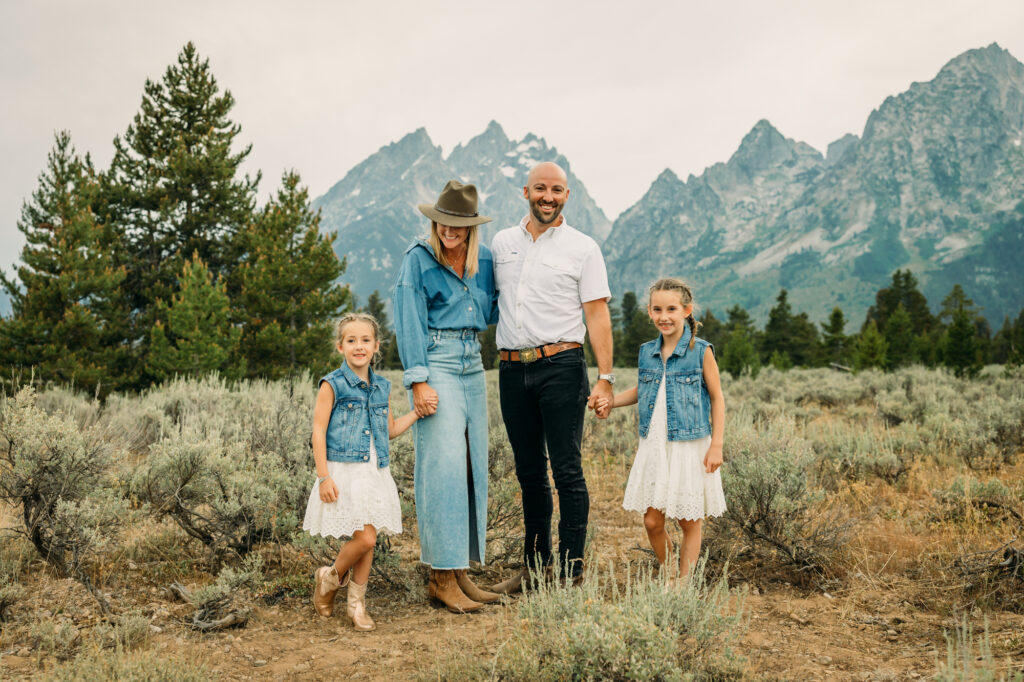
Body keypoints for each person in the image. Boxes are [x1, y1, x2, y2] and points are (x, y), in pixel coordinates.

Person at [489, 161, 614, 592]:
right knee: (528, 471)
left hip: (562, 366)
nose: (548, 196)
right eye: (540, 188)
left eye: (557, 190)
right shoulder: (502, 242)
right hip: (510, 369)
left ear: (566, 195)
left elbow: (597, 314)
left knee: (566, 469)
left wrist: (605, 378)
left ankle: (572, 569)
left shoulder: (584, 248)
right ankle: (534, 567)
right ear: (526, 191)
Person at [392, 180, 500, 613]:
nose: (448, 232)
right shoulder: (417, 261)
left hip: (473, 361)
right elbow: (409, 320)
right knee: (443, 465)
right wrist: (418, 380)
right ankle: (439, 576)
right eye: (442, 223)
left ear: (471, 227)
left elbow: (491, 309)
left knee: (473, 462)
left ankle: (459, 572)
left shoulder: (485, 259)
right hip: (435, 359)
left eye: (457, 225)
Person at [596, 277, 726, 581]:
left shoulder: (701, 351)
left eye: (671, 309)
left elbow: (718, 398)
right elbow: (644, 391)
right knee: (653, 521)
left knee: (688, 521)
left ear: (686, 310)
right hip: (655, 445)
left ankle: (683, 584)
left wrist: (716, 445)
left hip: (689, 445)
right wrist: (611, 403)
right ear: (649, 311)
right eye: (657, 309)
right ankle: (669, 571)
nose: (664, 316)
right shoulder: (647, 352)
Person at [304, 312, 420, 631]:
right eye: (351, 340)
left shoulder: (382, 386)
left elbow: (391, 429)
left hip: (373, 471)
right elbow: (317, 430)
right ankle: (330, 580)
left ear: (376, 346)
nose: (359, 346)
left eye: (365, 340)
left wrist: (417, 413)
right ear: (340, 347)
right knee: (366, 538)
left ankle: (355, 603)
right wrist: (323, 475)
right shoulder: (333, 384)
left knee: (368, 538)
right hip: (343, 471)